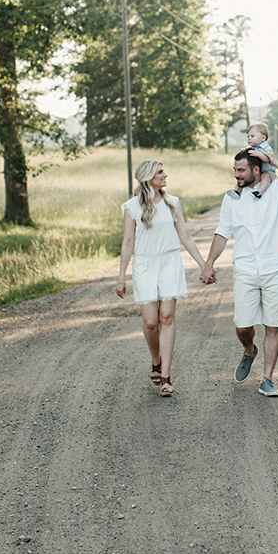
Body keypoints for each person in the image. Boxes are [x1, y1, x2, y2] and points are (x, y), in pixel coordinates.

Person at [200, 147, 278, 397]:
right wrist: (209, 263)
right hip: (246, 268)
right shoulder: (232, 198)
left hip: (275, 267)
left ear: (256, 170)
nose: (236, 175)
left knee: (273, 325)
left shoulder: (277, 190)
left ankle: (267, 379)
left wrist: (277, 162)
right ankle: (249, 351)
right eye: (235, 170)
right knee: (243, 326)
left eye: (241, 170)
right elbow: (222, 232)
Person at [116, 159, 206, 396]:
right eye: (160, 172)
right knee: (150, 322)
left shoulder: (172, 202)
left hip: (169, 262)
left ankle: (166, 376)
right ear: (148, 177)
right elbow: (128, 242)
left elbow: (184, 236)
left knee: (166, 317)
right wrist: (121, 276)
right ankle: (155, 359)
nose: (165, 175)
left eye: (164, 171)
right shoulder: (131, 207)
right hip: (144, 265)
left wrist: (203, 264)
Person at [227, 122, 276, 200]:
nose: (249, 138)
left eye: (252, 136)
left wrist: (259, 154)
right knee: (242, 176)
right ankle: (237, 191)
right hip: (257, 171)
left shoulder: (267, 148)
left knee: (265, 177)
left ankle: (259, 192)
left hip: (268, 171)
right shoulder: (250, 147)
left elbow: (269, 159)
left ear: (263, 138)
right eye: (248, 136)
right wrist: (244, 151)